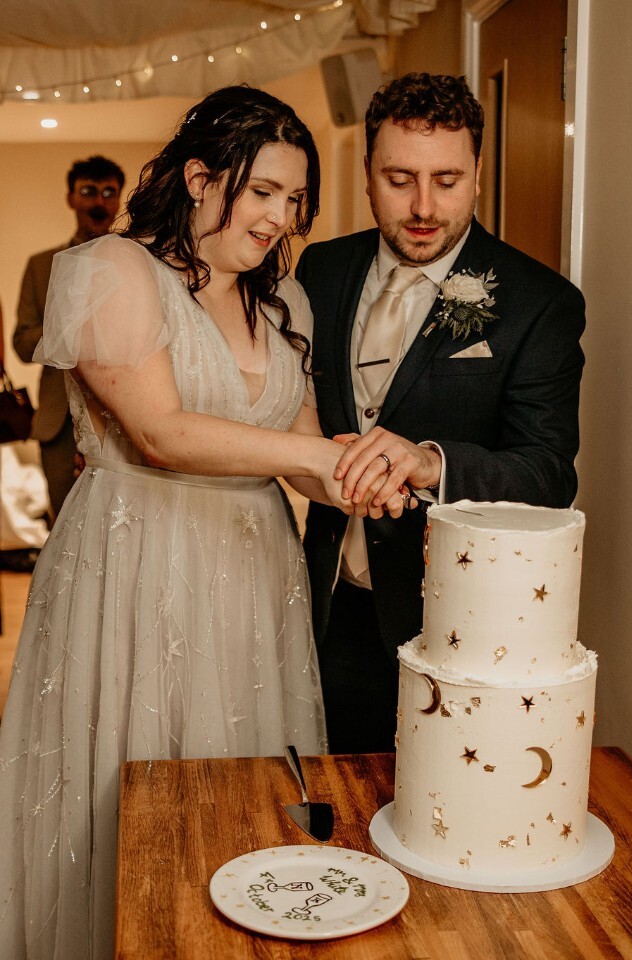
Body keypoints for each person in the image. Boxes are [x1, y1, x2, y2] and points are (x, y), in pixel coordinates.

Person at [0, 87, 405, 960]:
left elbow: (301, 448)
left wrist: (374, 473)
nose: (279, 218)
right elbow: (160, 431)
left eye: (294, 200)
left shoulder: (283, 301)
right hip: (138, 552)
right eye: (262, 193)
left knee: (241, 779)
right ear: (198, 177)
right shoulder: (112, 270)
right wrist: (318, 461)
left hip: (255, 563)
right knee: (136, 769)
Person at [296, 73, 586, 754]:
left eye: (447, 180)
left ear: (478, 173)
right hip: (322, 603)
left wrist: (432, 462)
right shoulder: (321, 271)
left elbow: (547, 473)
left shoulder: (539, 301)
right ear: (367, 173)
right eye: (400, 179)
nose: (424, 206)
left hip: (453, 619)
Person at [13, 155, 125, 518]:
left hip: (124, 416)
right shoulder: (41, 264)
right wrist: (68, 331)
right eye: (89, 191)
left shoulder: (135, 262)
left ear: (120, 198)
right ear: (71, 198)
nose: (98, 202)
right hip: (58, 423)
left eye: (109, 192)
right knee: (63, 527)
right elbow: (22, 342)